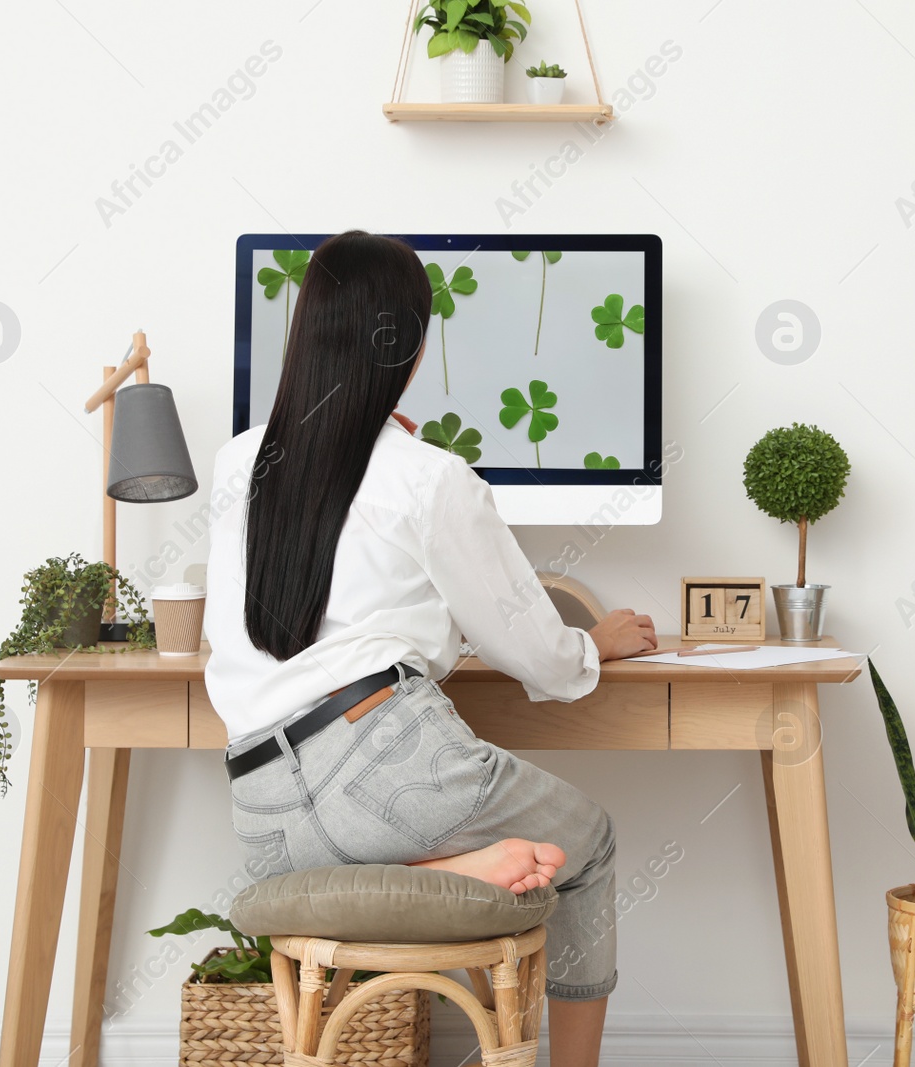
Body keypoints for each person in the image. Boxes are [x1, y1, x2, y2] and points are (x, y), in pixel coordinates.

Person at [203, 230, 656, 1066]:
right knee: (589, 840)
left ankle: (441, 861)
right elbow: (537, 654)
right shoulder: (426, 475)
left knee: (372, 820)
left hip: (264, 818)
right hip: (392, 763)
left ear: (306, 335)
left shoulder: (237, 464)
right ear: (409, 351)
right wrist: (592, 644)